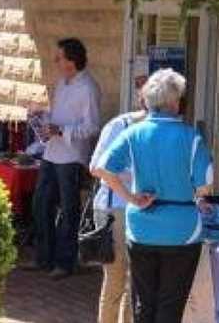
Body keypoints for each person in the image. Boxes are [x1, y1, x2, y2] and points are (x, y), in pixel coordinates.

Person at [93, 68, 213, 323]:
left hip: (141, 228)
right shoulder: (191, 137)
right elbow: (206, 186)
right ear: (174, 101)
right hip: (182, 231)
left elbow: (102, 168)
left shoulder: (133, 133)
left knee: (143, 304)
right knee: (170, 305)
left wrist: (131, 197)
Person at [31, 38, 102, 279]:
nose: (56, 61)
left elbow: (91, 127)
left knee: (69, 212)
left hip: (71, 157)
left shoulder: (89, 88)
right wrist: (44, 117)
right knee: (41, 205)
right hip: (52, 153)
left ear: (72, 61)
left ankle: (64, 262)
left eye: (59, 57)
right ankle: (44, 258)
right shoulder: (62, 82)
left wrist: (61, 131)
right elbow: (61, 115)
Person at [89, 105, 147, 323]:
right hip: (115, 209)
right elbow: (95, 167)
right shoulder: (119, 125)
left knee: (136, 282)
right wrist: (131, 179)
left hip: (140, 212)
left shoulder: (155, 130)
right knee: (115, 280)